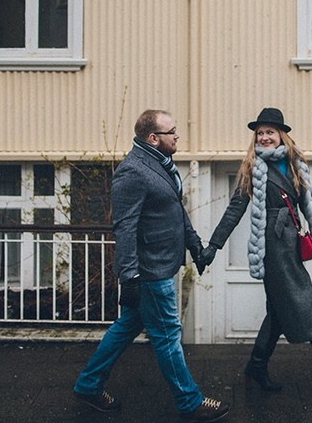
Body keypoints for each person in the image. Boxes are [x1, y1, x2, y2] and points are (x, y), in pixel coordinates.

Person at [72, 109, 230, 421]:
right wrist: (129, 275)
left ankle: (88, 384)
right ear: (153, 137)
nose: (177, 136)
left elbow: (175, 211)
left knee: (127, 326)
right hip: (149, 272)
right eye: (172, 132)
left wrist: (195, 247)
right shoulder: (133, 172)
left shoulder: (158, 164)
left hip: (161, 265)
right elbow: (125, 227)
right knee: (169, 335)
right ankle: (189, 401)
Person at [199, 107, 312, 391]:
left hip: (291, 244)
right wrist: (214, 245)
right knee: (305, 303)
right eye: (260, 133)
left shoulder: (296, 164)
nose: (264, 137)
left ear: (281, 135)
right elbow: (235, 209)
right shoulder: (253, 168)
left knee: (277, 313)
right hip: (273, 248)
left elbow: (310, 208)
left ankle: (256, 367)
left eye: (269, 132)